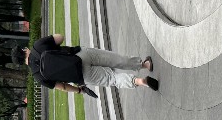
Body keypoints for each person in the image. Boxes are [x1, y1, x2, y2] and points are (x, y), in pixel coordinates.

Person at [13, 34, 159, 94]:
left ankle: (138, 81)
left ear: (21, 63)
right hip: (80, 54)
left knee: (112, 79)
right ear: (24, 50)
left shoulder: (38, 77)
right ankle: (144, 65)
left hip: (81, 76)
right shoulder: (38, 46)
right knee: (115, 59)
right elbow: (60, 37)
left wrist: (79, 90)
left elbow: (62, 86)